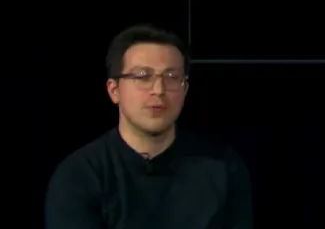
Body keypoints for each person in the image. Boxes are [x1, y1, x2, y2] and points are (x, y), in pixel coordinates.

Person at [44, 24, 253, 229]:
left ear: (185, 89)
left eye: (172, 77)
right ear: (114, 90)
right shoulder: (79, 175)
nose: (159, 90)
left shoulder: (224, 168)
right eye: (143, 76)